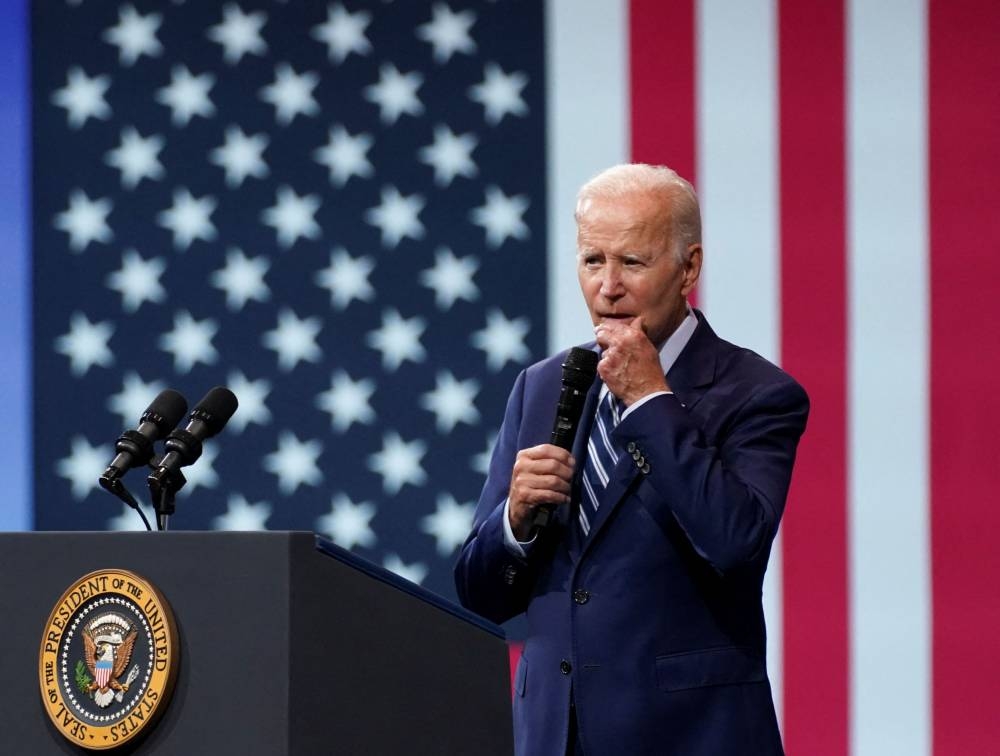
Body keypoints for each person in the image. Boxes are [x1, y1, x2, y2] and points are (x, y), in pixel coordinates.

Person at [454, 163, 809, 755]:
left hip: (690, 735)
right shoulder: (540, 387)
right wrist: (513, 522)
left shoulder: (756, 393)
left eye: (632, 263)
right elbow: (482, 592)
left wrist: (649, 400)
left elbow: (734, 544)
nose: (607, 286)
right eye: (593, 260)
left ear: (688, 267)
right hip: (555, 735)